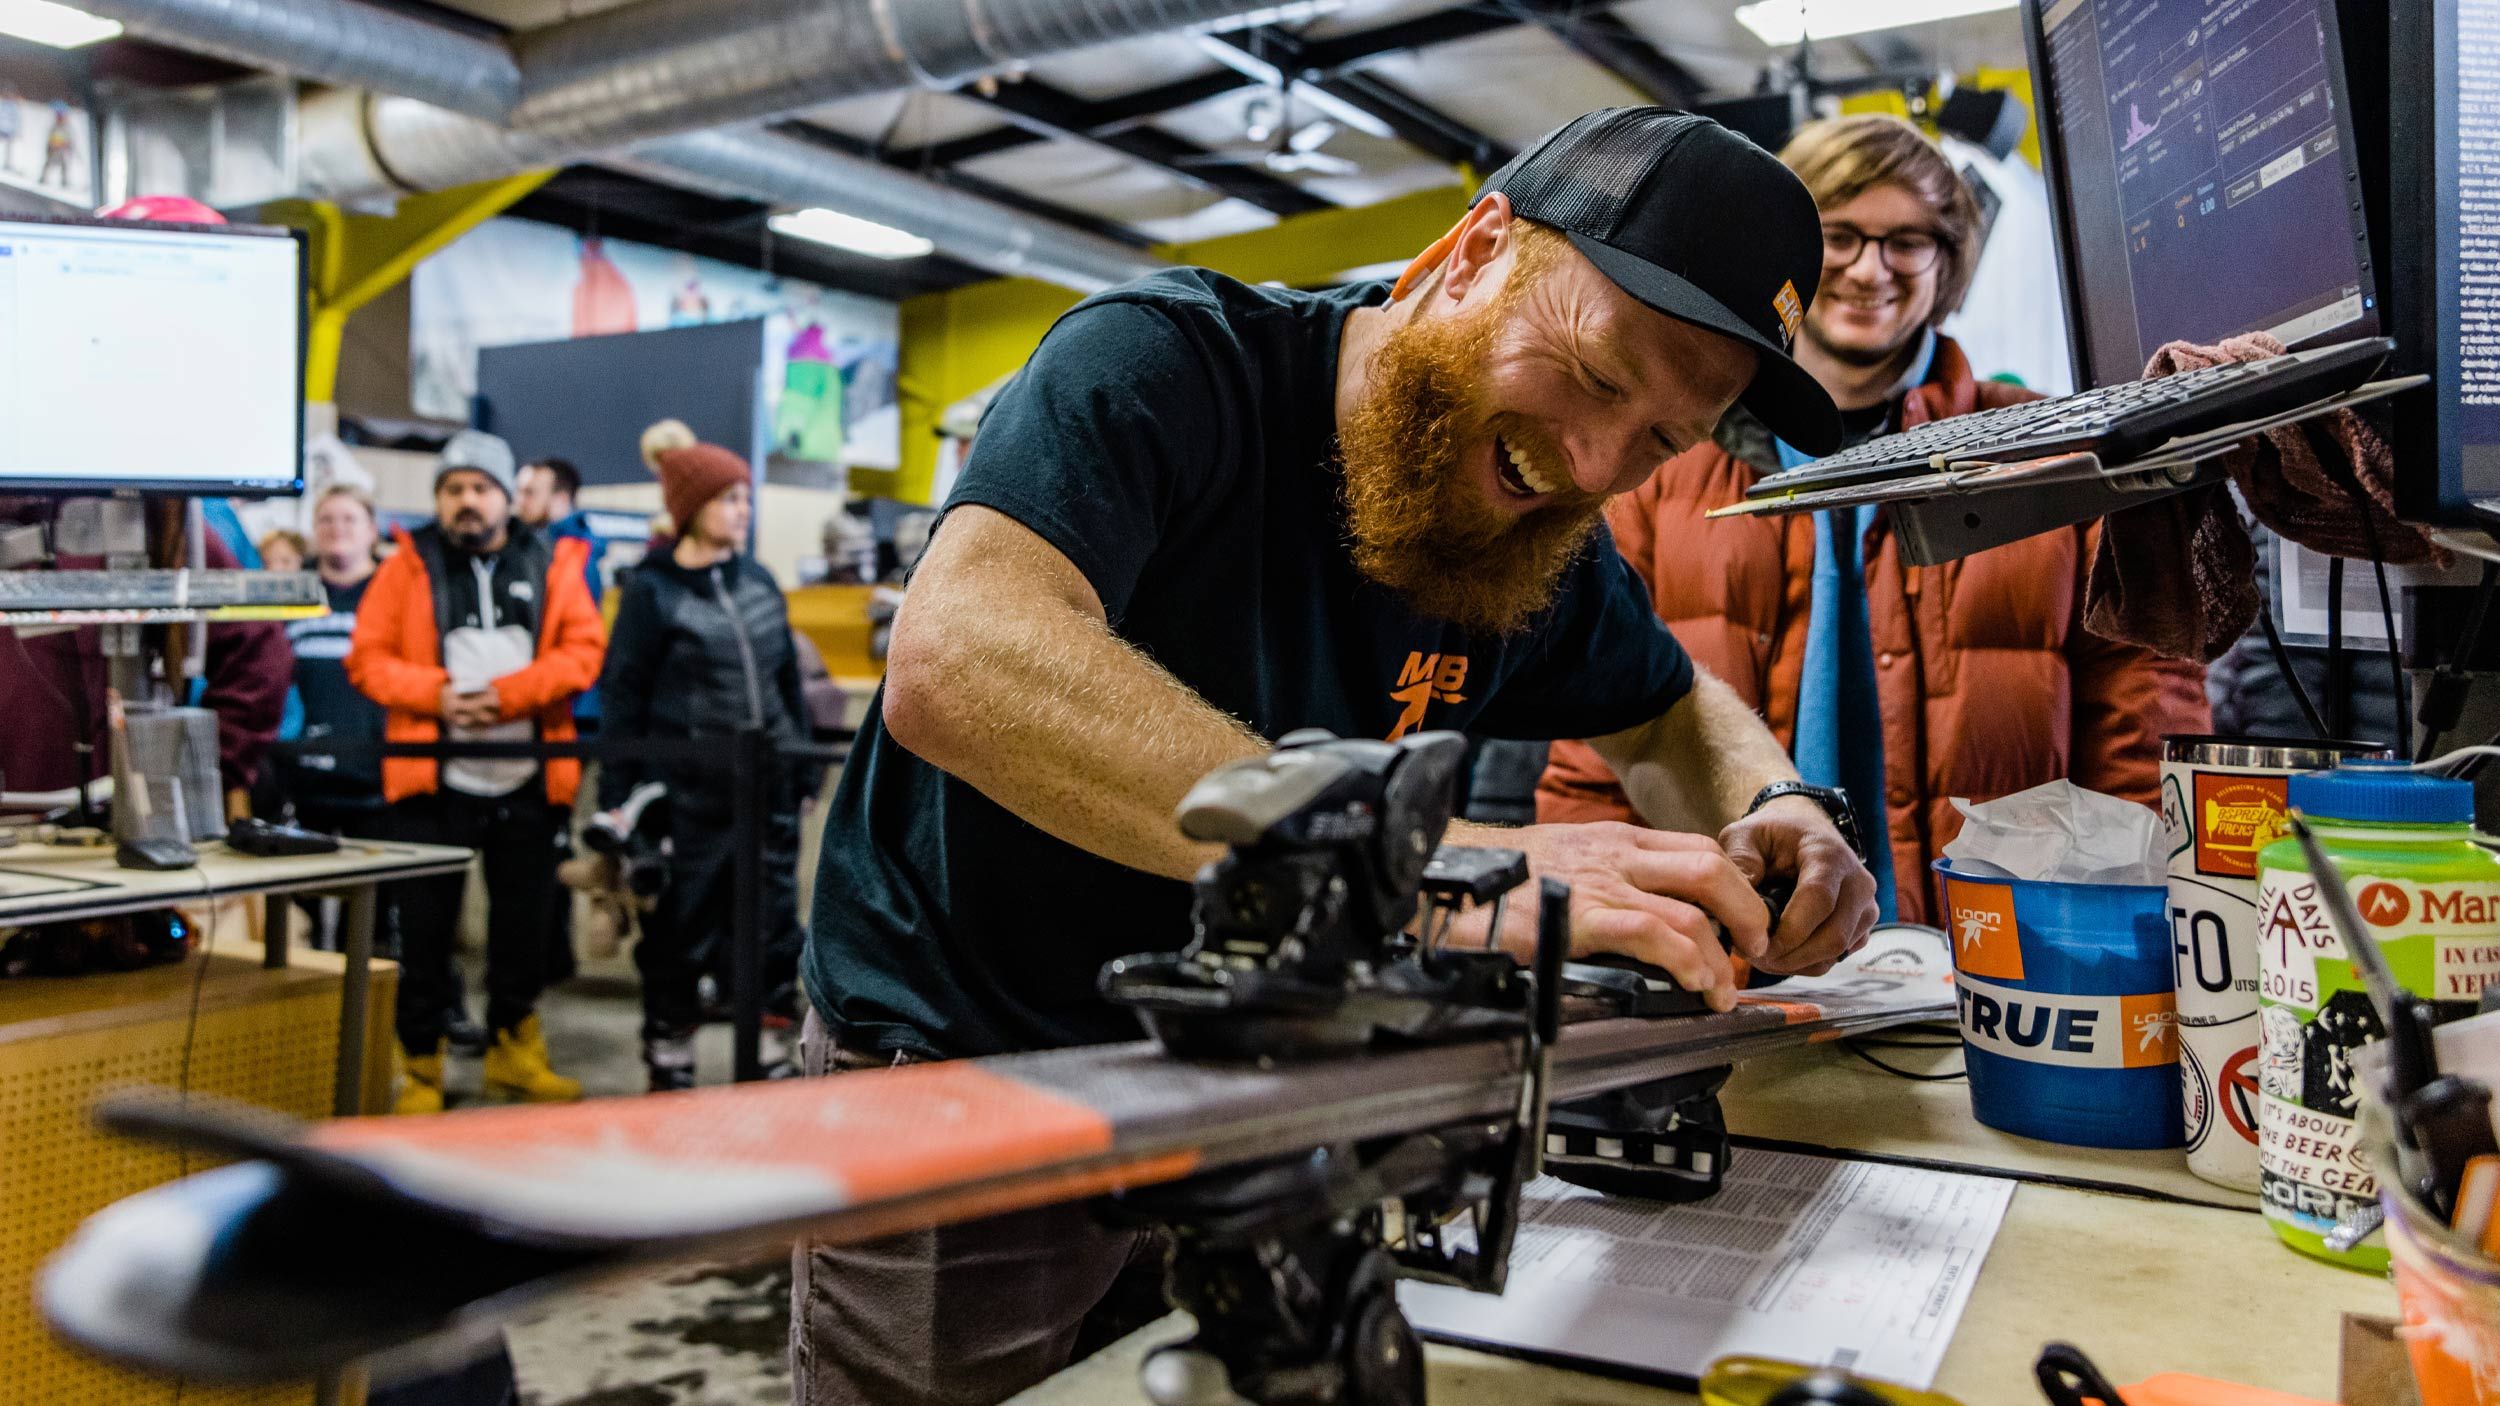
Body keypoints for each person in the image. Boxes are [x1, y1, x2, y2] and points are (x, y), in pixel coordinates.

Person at [792, 108, 1881, 1406]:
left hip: (1262, 1089)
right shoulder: (1171, 363)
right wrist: (1443, 868)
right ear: (1471, 252)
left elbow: (1664, 709)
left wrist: (1778, 803)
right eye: (1593, 374)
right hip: (981, 1066)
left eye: (1658, 439)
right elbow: (963, 655)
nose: (1594, 460)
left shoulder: (1537, 530)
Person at [1536, 115, 2209, 925]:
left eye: (1907, 241)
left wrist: (2129, 932)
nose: (1870, 269)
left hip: (2004, 959)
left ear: (1948, 260)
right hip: (1736, 956)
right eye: (1839, 237)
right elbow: (1594, 750)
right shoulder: (1659, 467)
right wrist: (1603, 941)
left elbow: (2142, 736)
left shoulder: (2052, 460)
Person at [346, 429, 605, 1114]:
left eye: (480, 488)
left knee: (523, 930)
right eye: (453, 488)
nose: (467, 500)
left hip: (528, 780)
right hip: (430, 781)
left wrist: (509, 695)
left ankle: (514, 1054)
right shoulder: (404, 565)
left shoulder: (553, 557)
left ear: (505, 497)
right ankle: (422, 1069)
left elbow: (584, 649)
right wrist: (436, 695)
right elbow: (367, 658)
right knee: (424, 932)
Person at [594, 421, 816, 1091]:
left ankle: (772, 1059)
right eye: (728, 499)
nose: (742, 512)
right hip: (683, 799)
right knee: (677, 936)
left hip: (766, 791)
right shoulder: (652, 590)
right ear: (692, 507)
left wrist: (800, 766)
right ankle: (670, 1063)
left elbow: (786, 684)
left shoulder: (760, 581)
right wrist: (619, 795)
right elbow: (624, 694)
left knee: (774, 931)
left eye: (745, 499)